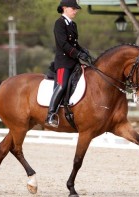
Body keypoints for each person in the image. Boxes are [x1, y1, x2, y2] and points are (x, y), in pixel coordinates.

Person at [45, 0, 90, 128]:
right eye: (73, 9)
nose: (75, 11)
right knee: (62, 85)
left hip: (74, 62)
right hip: (63, 62)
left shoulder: (73, 24)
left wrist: (83, 52)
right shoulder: (59, 23)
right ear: (64, 8)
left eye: (76, 9)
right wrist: (77, 54)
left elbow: (74, 44)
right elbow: (63, 44)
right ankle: (51, 114)